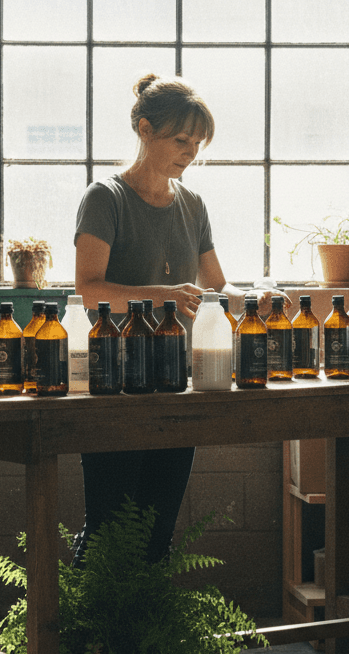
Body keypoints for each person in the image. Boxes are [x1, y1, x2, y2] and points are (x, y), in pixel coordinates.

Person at [74, 73, 271, 565]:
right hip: (114, 384)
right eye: (181, 139)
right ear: (144, 130)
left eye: (198, 143)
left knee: (157, 527)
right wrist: (162, 296)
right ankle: (87, 639)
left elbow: (216, 287)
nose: (191, 152)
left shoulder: (193, 205)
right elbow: (89, 290)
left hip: (176, 379)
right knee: (110, 527)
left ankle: (143, 639)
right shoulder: (106, 198)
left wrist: (254, 299)